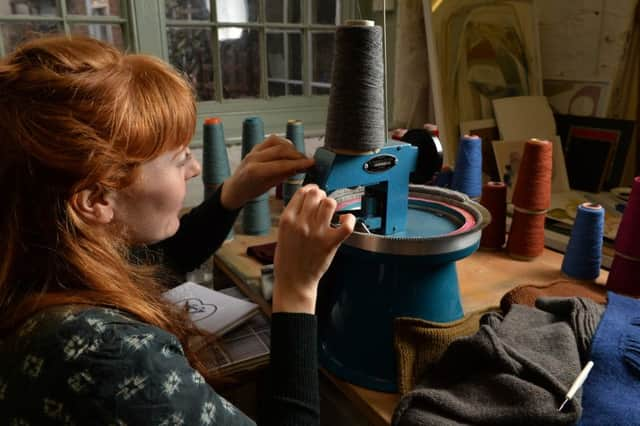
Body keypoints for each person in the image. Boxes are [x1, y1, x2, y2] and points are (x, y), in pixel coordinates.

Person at [0, 35, 355, 425]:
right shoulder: (111, 357)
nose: (195, 168)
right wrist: (296, 291)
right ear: (96, 199)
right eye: (179, 157)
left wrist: (227, 200)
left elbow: (150, 264)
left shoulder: (35, 263)